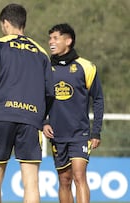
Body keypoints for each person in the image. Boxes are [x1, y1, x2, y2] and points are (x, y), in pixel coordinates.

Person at [0, 3, 54, 203]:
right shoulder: (41, 52)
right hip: (31, 120)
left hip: (2, 116)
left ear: (5, 23)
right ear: (23, 23)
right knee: (31, 182)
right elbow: (51, 91)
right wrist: (41, 115)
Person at [43, 23, 104, 203]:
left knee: (79, 176)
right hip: (57, 134)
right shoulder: (45, 68)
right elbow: (39, 99)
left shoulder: (86, 67)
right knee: (64, 180)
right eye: (50, 38)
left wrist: (96, 131)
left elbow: (98, 99)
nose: (50, 42)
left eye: (55, 38)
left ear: (68, 41)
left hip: (80, 133)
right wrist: (44, 122)